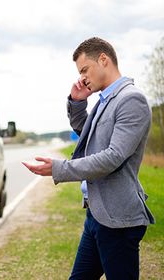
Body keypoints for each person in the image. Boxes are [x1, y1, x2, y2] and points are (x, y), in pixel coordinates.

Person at [22, 37, 155, 280]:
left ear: (103, 59)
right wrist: (77, 102)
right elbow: (88, 135)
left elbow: (112, 157)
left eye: (85, 69)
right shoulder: (105, 99)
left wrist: (59, 169)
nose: (82, 77)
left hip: (119, 220)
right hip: (96, 213)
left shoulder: (131, 99)